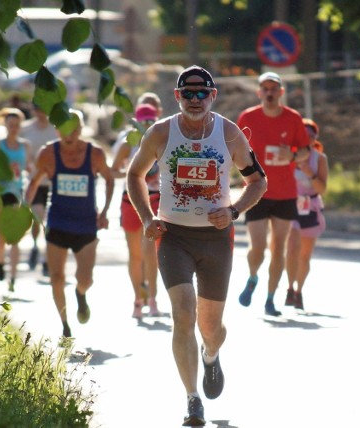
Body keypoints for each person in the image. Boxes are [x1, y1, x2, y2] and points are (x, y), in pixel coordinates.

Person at [127, 65, 267, 427]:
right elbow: (134, 174)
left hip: (216, 238)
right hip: (173, 236)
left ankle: (211, 353)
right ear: (177, 97)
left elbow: (258, 182)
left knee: (211, 327)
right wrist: (146, 218)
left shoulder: (228, 133)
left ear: (212, 96)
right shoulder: (161, 132)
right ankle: (192, 400)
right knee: (183, 312)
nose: (194, 100)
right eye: (187, 94)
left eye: (201, 93)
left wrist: (234, 210)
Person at [25, 109, 114, 338]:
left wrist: (104, 212)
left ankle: (80, 294)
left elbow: (110, 179)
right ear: (57, 130)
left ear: (81, 130)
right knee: (56, 277)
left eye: (74, 130)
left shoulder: (94, 153)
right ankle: (65, 325)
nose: (69, 135)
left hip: (86, 225)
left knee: (86, 279)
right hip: (58, 222)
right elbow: (34, 182)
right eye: (65, 130)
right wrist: (24, 210)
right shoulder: (48, 153)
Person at [236, 72, 310, 316]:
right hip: (257, 190)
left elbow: (305, 151)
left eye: (274, 88)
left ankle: (270, 299)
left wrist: (292, 155)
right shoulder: (248, 117)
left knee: (279, 248)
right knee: (257, 247)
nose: (269, 92)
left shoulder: (293, 118)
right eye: (265, 88)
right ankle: (253, 276)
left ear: (281, 92)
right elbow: (235, 150)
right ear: (259, 92)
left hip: (285, 193)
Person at [111, 104, 161, 319]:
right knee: (135, 255)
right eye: (144, 121)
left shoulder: (162, 142)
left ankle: (153, 300)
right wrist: (134, 173)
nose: (148, 125)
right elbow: (113, 172)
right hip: (130, 201)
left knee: (151, 254)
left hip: (155, 199)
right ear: (136, 122)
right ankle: (138, 299)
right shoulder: (127, 145)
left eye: (151, 121)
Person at [0, 108, 34, 291]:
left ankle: (12, 277)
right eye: (10, 124)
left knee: (15, 236)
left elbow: (29, 165)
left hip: (16, 193)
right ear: (5, 125)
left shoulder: (25, 145)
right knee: (2, 235)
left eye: (16, 125)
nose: (13, 128)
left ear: (20, 126)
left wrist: (33, 173)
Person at [284, 118, 329, 310]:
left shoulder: (319, 159)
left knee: (304, 256)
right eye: (304, 134)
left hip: (310, 207)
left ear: (315, 139)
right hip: (289, 206)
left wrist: (309, 172)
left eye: (311, 136)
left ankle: (298, 291)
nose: (307, 138)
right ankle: (289, 286)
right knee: (292, 247)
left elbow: (322, 188)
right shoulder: (287, 155)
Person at [20, 104, 59, 276]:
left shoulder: (56, 129)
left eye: (43, 108)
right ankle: (35, 246)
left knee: (50, 222)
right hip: (35, 181)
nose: (41, 112)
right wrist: (27, 165)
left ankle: (46, 258)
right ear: (34, 110)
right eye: (38, 108)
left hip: (54, 183)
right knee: (37, 217)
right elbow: (21, 151)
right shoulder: (25, 129)